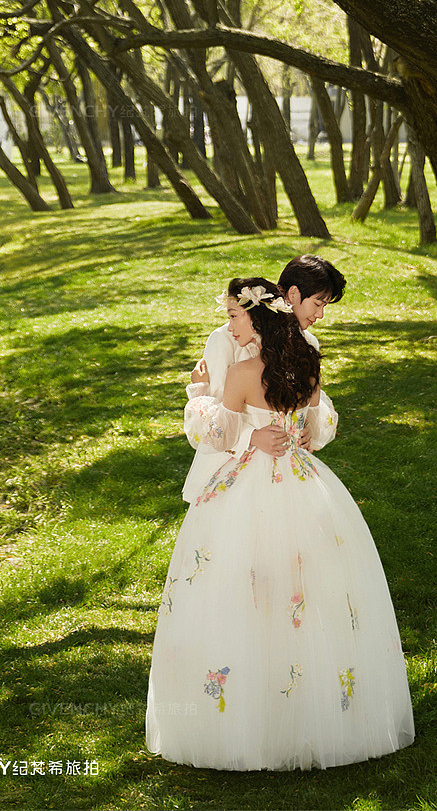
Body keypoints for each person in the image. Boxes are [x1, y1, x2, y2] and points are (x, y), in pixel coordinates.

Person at [146, 277, 415, 771]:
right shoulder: (307, 365)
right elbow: (313, 426)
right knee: (308, 588)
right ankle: (312, 708)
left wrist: (198, 391)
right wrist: (287, 435)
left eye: (234, 315)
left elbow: (217, 435)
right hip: (304, 481)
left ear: (255, 318)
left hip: (248, 486)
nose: (229, 324)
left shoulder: (244, 373)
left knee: (241, 584)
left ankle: (253, 715)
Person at [181, 255, 346, 503]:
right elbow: (218, 415)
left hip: (286, 470)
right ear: (292, 294)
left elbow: (308, 403)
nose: (320, 315)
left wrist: (308, 429)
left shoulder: (308, 345)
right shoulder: (226, 338)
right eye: (318, 303)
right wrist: (252, 436)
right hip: (232, 468)